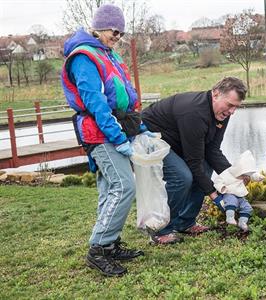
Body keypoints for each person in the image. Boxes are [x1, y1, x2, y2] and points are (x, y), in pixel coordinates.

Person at [61, 4, 153, 276]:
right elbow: (96, 103)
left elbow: (124, 97)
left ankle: (110, 244)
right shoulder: (84, 57)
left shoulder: (108, 54)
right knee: (124, 186)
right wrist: (117, 136)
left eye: (121, 32)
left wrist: (140, 128)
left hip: (117, 129)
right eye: (114, 30)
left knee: (108, 188)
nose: (117, 35)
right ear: (99, 27)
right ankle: (98, 249)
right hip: (99, 133)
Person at [141, 77, 248, 244]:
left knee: (205, 168)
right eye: (230, 105)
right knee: (181, 176)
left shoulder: (221, 113)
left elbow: (212, 150)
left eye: (236, 107)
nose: (232, 111)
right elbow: (193, 162)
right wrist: (215, 196)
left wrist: (233, 176)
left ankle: (185, 222)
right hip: (149, 138)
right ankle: (160, 229)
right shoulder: (194, 112)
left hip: (176, 140)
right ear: (216, 94)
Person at [213, 150, 264, 232]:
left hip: (240, 195)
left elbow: (253, 175)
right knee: (232, 201)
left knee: (247, 207)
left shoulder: (246, 175)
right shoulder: (228, 173)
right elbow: (217, 181)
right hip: (229, 193)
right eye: (243, 174)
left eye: (246, 174)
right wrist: (223, 188)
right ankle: (230, 217)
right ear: (238, 169)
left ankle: (242, 222)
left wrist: (259, 177)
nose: (245, 177)